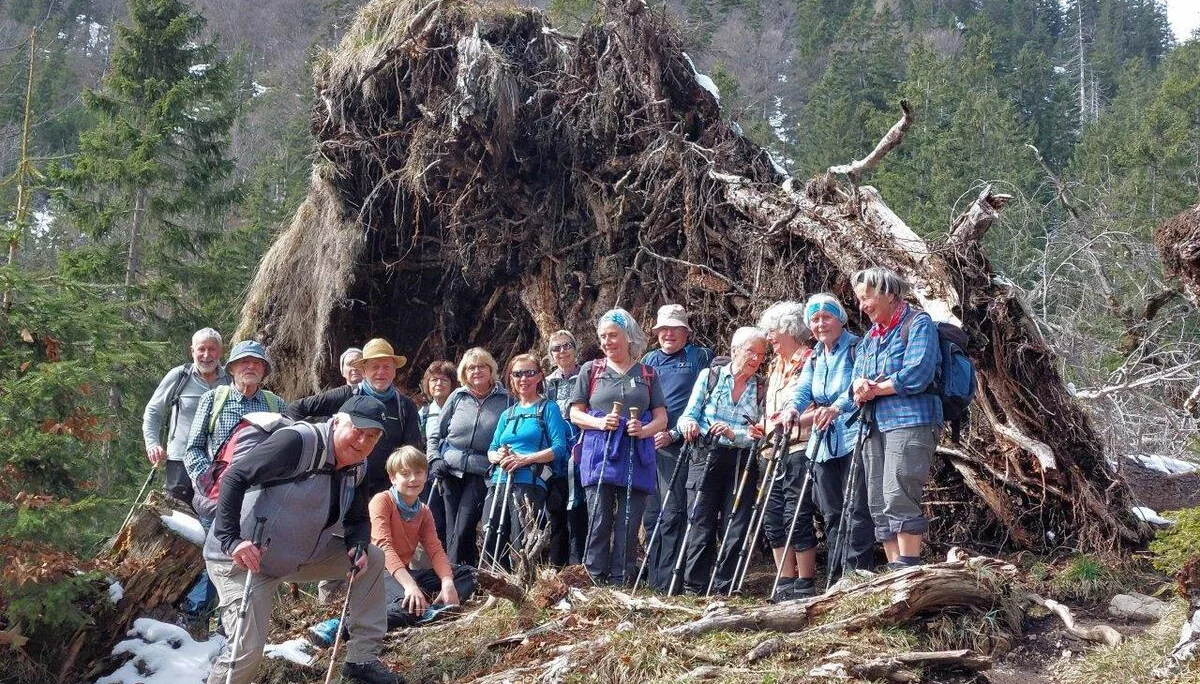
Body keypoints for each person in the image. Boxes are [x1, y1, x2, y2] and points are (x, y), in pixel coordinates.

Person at [203, 396, 403, 684]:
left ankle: (362, 659)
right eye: (357, 430)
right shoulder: (296, 442)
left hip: (298, 555)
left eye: (371, 436)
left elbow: (357, 519)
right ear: (335, 422)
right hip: (244, 560)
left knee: (372, 557)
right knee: (246, 650)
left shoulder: (358, 467)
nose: (362, 441)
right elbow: (236, 477)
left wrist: (356, 544)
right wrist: (231, 540)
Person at [844, 267, 941, 570]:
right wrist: (859, 387)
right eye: (859, 300)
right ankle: (894, 568)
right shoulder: (870, 337)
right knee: (876, 498)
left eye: (867, 298)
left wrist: (874, 389)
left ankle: (908, 567)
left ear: (889, 293)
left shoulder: (918, 323)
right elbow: (856, 377)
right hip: (874, 424)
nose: (862, 306)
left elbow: (917, 374)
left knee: (898, 491)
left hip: (911, 420)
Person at [780, 294, 876, 585]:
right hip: (822, 444)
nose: (821, 324)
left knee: (857, 508)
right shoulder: (816, 356)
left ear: (841, 319)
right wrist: (791, 408)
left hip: (852, 437)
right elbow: (803, 390)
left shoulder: (858, 347)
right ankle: (836, 579)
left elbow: (858, 385)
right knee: (831, 512)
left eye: (827, 317)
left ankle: (856, 576)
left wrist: (836, 408)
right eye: (815, 319)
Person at [569, 309, 667, 586]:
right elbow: (576, 413)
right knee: (599, 517)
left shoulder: (648, 373)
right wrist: (600, 424)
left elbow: (662, 417)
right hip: (599, 451)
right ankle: (593, 577)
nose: (607, 342)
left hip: (637, 452)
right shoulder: (592, 370)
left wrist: (645, 430)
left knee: (629, 519)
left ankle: (621, 579)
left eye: (613, 335)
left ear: (628, 336)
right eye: (602, 337)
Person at [676, 326, 767, 595]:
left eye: (761, 355)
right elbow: (687, 415)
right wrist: (689, 425)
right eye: (751, 351)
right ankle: (695, 587)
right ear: (734, 350)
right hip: (705, 454)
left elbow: (760, 435)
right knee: (700, 521)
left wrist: (733, 434)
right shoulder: (710, 376)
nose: (756, 359)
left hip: (741, 461)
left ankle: (724, 587)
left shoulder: (762, 387)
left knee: (736, 523)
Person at [285, 338, 421, 497]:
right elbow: (296, 409)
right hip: (343, 483)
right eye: (375, 367)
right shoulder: (346, 395)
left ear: (394, 371)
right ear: (364, 371)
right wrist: (314, 446)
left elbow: (412, 450)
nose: (381, 372)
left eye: (386, 367)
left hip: (386, 489)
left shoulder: (405, 406)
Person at [640, 304, 713, 591]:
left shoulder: (698, 357)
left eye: (674, 329)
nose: (668, 334)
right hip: (649, 445)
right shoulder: (648, 361)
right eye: (663, 329)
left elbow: (703, 402)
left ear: (685, 332)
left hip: (681, 444)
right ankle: (656, 576)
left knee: (672, 512)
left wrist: (674, 433)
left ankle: (670, 581)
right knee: (651, 514)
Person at [370, 446, 476, 630]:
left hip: (403, 574)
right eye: (405, 474)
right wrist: (410, 586)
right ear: (393, 477)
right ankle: (343, 624)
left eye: (418, 472)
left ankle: (432, 609)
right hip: (377, 575)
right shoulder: (382, 501)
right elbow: (383, 547)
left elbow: (435, 550)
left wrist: (447, 581)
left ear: (426, 476)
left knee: (471, 574)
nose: (413, 479)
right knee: (408, 607)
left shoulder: (423, 511)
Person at [482, 354, 569, 569]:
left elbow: (559, 448)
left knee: (522, 536)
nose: (524, 378)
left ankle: (523, 585)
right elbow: (491, 449)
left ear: (539, 376)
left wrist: (524, 459)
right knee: (490, 530)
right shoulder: (507, 414)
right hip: (499, 479)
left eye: (530, 373)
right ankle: (494, 584)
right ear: (510, 378)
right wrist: (498, 456)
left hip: (530, 481)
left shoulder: (548, 409)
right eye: (517, 374)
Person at [757, 301, 819, 601]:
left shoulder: (810, 360)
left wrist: (790, 420)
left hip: (799, 445)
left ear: (790, 330)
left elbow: (819, 407)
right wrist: (763, 425)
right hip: (771, 450)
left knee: (797, 513)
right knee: (773, 515)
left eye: (773, 331)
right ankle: (785, 577)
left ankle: (805, 580)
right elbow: (771, 409)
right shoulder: (775, 366)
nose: (769, 337)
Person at [428, 348, 511, 567]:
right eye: (471, 367)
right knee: (451, 527)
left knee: (463, 527)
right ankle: (461, 577)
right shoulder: (457, 396)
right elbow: (437, 433)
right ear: (464, 372)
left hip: (481, 470)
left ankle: (457, 578)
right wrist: (435, 458)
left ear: (491, 369)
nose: (476, 371)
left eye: (482, 366)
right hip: (449, 470)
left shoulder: (505, 399)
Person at [184, 340, 285, 502]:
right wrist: (209, 482)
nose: (251, 366)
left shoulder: (276, 404)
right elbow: (193, 449)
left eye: (257, 362)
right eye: (244, 361)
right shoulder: (213, 399)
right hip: (217, 496)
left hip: (261, 499)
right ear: (231, 368)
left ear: (264, 370)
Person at [142, 327, 229, 506]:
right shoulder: (180, 376)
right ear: (192, 351)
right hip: (180, 460)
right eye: (201, 349)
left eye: (212, 349)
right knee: (178, 516)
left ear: (220, 351)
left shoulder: (230, 379)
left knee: (213, 516)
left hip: (219, 463)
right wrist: (152, 444)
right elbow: (153, 411)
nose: (206, 355)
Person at [543, 330, 583, 566]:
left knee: (579, 508)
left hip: (580, 450)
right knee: (556, 510)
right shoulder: (547, 383)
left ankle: (579, 565)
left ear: (575, 348)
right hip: (555, 454)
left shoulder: (587, 376)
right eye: (556, 348)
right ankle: (557, 565)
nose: (562, 351)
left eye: (567, 346)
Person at [417, 360, 456, 543]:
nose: (438, 384)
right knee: (433, 519)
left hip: (453, 472)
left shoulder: (460, 409)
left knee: (452, 520)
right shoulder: (423, 414)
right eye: (434, 380)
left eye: (444, 380)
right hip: (429, 474)